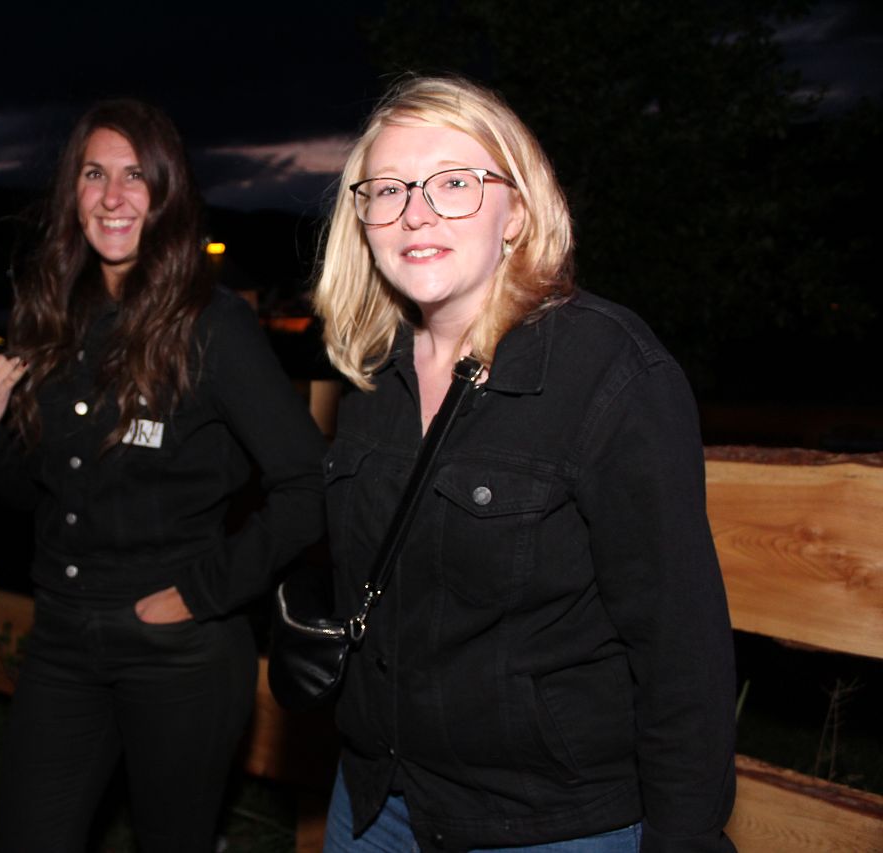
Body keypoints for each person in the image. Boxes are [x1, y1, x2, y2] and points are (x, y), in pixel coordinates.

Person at [313, 76, 737, 852]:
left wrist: (686, 835)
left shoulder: (607, 369)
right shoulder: (371, 374)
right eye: (389, 189)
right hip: (375, 798)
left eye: (454, 183)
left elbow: (682, 646)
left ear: (516, 212)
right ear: (362, 218)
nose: (415, 213)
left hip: (546, 821)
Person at [0, 99, 326, 852]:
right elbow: (43, 495)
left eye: (135, 176)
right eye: (95, 174)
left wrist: (203, 592)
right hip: (62, 636)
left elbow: (311, 485)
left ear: (166, 194)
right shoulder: (55, 316)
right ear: (73, 192)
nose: (113, 197)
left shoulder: (211, 324)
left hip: (176, 650)